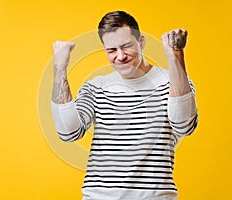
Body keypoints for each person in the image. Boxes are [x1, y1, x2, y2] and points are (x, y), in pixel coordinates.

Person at [51, 10, 198, 200]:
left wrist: (175, 56)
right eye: (111, 50)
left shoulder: (171, 82)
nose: (120, 56)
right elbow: (68, 132)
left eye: (126, 46)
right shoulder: (97, 87)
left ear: (142, 42)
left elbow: (184, 125)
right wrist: (60, 68)